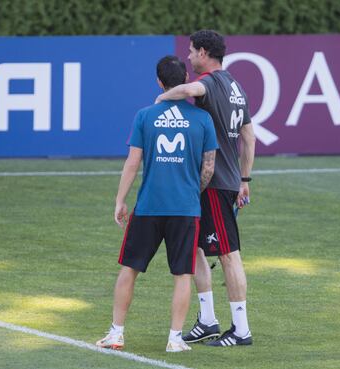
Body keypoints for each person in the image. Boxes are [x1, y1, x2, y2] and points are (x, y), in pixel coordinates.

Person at [96, 55, 218, 353]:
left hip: (149, 206)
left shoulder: (145, 116)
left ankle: (116, 333)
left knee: (129, 270)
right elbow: (209, 167)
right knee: (183, 276)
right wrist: (192, 190)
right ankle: (175, 339)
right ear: (187, 79)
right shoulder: (202, 119)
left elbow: (132, 161)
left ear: (159, 82)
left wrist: (120, 200)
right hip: (186, 209)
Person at [155, 30, 256, 347]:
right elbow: (250, 137)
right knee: (196, 248)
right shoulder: (236, 86)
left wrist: (163, 98)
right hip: (221, 183)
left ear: (203, 52)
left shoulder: (210, 83)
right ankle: (208, 320)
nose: (188, 56)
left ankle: (241, 329)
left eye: (191, 51)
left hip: (214, 185)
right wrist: (244, 179)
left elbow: (190, 88)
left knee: (228, 255)